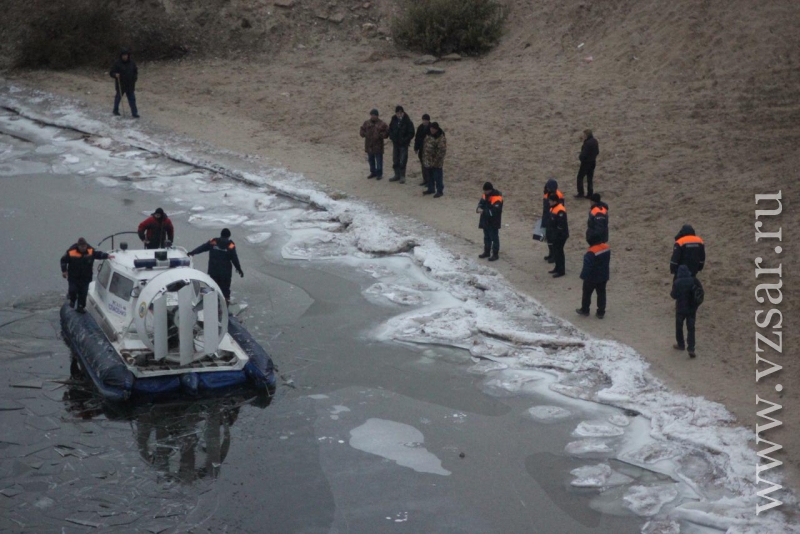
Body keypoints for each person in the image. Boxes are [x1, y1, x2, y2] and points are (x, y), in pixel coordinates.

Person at [188, 229, 243, 304]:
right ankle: (225, 306)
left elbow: (202, 247)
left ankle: (214, 304)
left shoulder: (213, 242)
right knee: (225, 289)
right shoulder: (230, 245)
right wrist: (239, 269)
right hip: (225, 273)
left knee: (214, 287)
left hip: (213, 271)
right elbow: (234, 258)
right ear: (228, 236)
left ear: (221, 234)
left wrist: (193, 252)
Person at [60, 238, 111, 313]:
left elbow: (97, 254)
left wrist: (106, 256)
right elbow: (63, 260)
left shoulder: (90, 251)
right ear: (78, 246)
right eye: (82, 247)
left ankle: (81, 307)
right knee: (73, 290)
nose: (83, 248)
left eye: (84, 246)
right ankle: (72, 300)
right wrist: (64, 271)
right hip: (74, 277)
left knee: (83, 293)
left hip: (85, 277)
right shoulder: (71, 252)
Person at [576, 236, 610, 318]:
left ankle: (585, 310)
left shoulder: (591, 252)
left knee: (587, 294)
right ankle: (601, 312)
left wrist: (583, 276)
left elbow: (587, 266)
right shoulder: (606, 247)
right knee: (601, 294)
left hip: (592, 277)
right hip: (604, 275)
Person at [671, 265, 698, 358]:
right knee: (691, 328)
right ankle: (691, 348)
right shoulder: (693, 280)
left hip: (680, 308)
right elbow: (699, 292)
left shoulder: (677, 282)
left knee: (679, 327)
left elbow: (673, 295)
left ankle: (681, 344)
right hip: (691, 308)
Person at [477, 182, 504, 261]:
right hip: (486, 220)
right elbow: (481, 203)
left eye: (486, 191)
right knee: (486, 237)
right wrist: (478, 208)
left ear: (490, 190)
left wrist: (483, 211)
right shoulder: (485, 195)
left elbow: (495, 211)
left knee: (494, 238)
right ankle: (487, 252)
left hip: (493, 221)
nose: (484, 192)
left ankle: (495, 254)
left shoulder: (497, 198)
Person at [388, 106, 415, 184]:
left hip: (403, 144)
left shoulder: (407, 121)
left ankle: (402, 176)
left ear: (403, 112)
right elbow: (390, 129)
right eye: (397, 113)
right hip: (395, 143)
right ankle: (397, 175)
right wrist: (392, 137)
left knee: (403, 160)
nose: (399, 114)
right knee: (395, 159)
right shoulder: (393, 120)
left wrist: (405, 140)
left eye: (400, 112)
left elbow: (411, 133)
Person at [360, 109, 389, 180]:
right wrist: (364, 134)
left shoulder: (382, 124)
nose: (372, 116)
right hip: (369, 145)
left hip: (378, 146)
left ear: (377, 116)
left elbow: (387, 132)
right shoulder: (366, 123)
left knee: (379, 160)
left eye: (374, 115)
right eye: (371, 115)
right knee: (371, 160)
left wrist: (381, 135)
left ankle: (379, 174)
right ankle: (373, 172)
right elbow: (362, 130)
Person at [109, 49, 139, 118]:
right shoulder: (117, 63)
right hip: (121, 85)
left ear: (128, 56)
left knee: (132, 99)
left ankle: (134, 113)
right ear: (121, 56)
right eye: (123, 55)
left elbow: (135, 72)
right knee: (118, 98)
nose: (125, 57)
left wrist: (134, 79)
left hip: (130, 85)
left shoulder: (132, 63)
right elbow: (111, 73)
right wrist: (115, 74)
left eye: (126, 55)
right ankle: (115, 110)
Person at [542, 178, 564, 263]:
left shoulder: (558, 195)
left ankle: (554, 255)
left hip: (553, 218)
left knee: (553, 238)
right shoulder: (547, 194)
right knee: (548, 237)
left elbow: (560, 209)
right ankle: (551, 253)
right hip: (547, 216)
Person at [422, 122, 447, 198]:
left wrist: (436, 161)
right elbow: (425, 145)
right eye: (431, 128)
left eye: (433, 129)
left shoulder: (441, 138)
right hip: (428, 160)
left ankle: (440, 191)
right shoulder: (428, 135)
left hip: (436, 161)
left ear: (436, 129)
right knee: (430, 176)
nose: (432, 130)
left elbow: (441, 151)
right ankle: (431, 188)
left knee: (438, 176)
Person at [547, 193, 569, 277]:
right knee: (556, 251)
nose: (549, 202)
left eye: (550, 200)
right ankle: (557, 267)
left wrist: (556, 234)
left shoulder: (560, 210)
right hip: (555, 234)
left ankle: (561, 270)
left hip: (560, 235)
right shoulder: (553, 208)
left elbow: (561, 225)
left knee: (559, 251)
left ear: (554, 201)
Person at [575, 129, 599, 198]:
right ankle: (590, 193)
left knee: (580, 177)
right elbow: (597, 152)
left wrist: (581, 158)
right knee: (590, 178)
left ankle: (581, 193)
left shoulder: (587, 143)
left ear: (586, 135)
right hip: (593, 162)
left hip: (586, 163)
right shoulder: (595, 141)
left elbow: (584, 154)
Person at [414, 114, 431, 187]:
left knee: (428, 166)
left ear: (428, 120)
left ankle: (429, 181)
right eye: (423, 120)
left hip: (429, 150)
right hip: (421, 149)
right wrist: (416, 148)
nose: (424, 121)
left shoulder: (432, 127)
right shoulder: (420, 127)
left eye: (426, 120)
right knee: (423, 165)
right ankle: (425, 180)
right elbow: (417, 138)